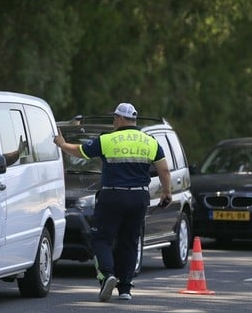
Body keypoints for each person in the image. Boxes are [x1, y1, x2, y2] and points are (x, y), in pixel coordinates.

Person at [54, 102, 172, 302]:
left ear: (118, 119)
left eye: (114, 119)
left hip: (112, 196)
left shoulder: (108, 139)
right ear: (134, 120)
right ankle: (125, 289)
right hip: (138, 197)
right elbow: (164, 170)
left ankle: (108, 275)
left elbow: (80, 151)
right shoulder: (150, 141)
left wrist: (62, 144)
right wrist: (166, 192)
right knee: (130, 241)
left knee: (102, 239)